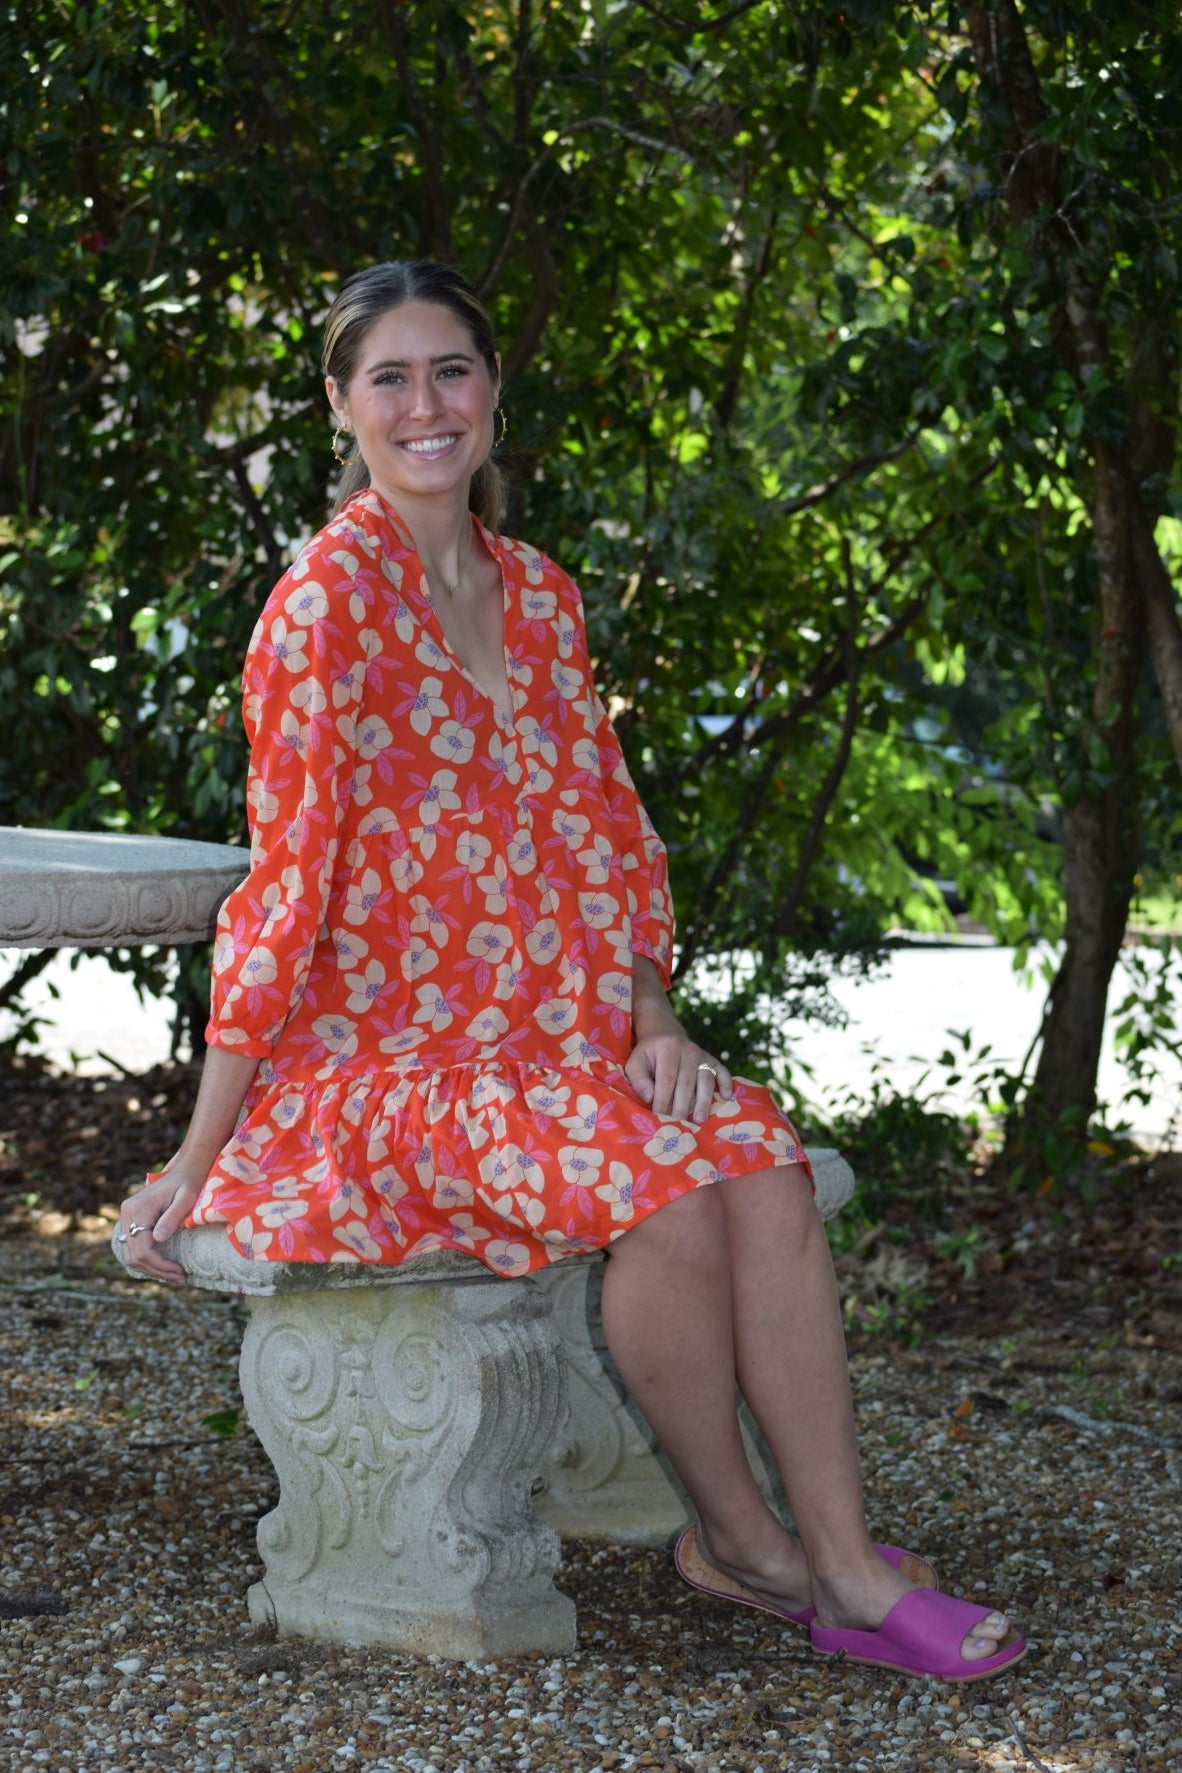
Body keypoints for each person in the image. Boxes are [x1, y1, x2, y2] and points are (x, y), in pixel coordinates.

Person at [119, 259, 1024, 1683]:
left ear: (491, 390)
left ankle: (834, 1544)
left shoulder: (537, 592)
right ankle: (765, 1550)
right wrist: (197, 1151)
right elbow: (284, 892)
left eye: (452, 370)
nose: (428, 404)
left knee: (760, 1159)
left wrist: (650, 1011)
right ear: (340, 408)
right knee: (667, 1191)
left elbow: (604, 826)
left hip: (556, 1044)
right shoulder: (320, 611)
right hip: (391, 1070)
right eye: (390, 377)